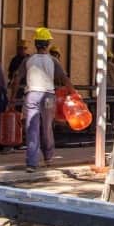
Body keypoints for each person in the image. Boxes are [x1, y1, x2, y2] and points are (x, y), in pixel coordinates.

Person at [14, 27, 69, 171]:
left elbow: (17, 79)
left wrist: (12, 99)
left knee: (32, 128)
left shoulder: (28, 60)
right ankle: (48, 157)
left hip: (32, 95)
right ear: (48, 44)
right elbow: (64, 78)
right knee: (47, 127)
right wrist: (74, 93)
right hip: (48, 97)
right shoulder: (53, 60)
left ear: (35, 43)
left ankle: (31, 164)